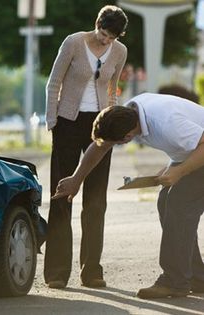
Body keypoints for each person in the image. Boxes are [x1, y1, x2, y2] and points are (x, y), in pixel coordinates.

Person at [54, 92, 204, 299]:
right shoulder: (128, 113)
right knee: (166, 202)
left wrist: (178, 171)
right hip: (193, 151)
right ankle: (197, 277)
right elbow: (101, 146)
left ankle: (174, 281)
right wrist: (76, 179)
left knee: (178, 203)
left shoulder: (167, 123)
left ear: (126, 138)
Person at [44, 5, 128, 289]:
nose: (107, 41)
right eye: (104, 34)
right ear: (97, 24)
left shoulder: (120, 51)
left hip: (101, 127)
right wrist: (52, 120)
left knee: (96, 201)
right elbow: (54, 82)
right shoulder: (73, 42)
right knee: (62, 193)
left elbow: (112, 89)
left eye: (112, 37)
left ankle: (92, 270)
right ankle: (56, 271)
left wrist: (114, 124)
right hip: (68, 122)